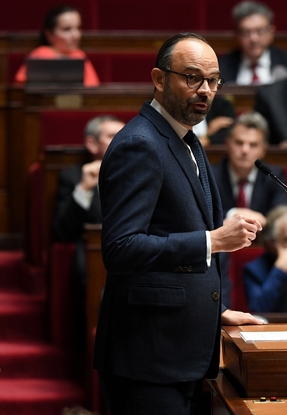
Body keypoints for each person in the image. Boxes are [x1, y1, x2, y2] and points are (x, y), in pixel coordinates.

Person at [93, 32, 264, 414]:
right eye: (192, 78)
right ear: (158, 79)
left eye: (213, 80)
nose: (204, 89)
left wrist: (212, 311)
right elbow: (120, 248)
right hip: (147, 360)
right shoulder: (140, 144)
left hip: (180, 351)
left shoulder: (185, 140)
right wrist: (212, 241)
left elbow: (166, 249)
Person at [52, 115, 124, 354]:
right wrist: (84, 189)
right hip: (96, 261)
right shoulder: (73, 177)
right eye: (112, 136)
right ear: (92, 144)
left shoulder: (138, 172)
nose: (121, 141)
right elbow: (63, 232)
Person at [211, 111, 287, 226]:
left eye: (253, 145)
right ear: (227, 144)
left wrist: (265, 221)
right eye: (239, 143)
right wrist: (233, 213)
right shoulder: (210, 175)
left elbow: (281, 215)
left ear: (263, 150)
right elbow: (204, 213)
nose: (245, 150)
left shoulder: (273, 176)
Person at [14, 5, 99, 86]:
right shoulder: (40, 54)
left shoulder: (79, 55)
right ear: (49, 35)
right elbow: (21, 86)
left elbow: (92, 89)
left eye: (78, 28)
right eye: (67, 29)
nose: (76, 35)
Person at [218, 0, 287, 85]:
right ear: (237, 34)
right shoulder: (221, 67)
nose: (254, 39)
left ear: (271, 32)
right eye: (246, 32)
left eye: (260, 31)